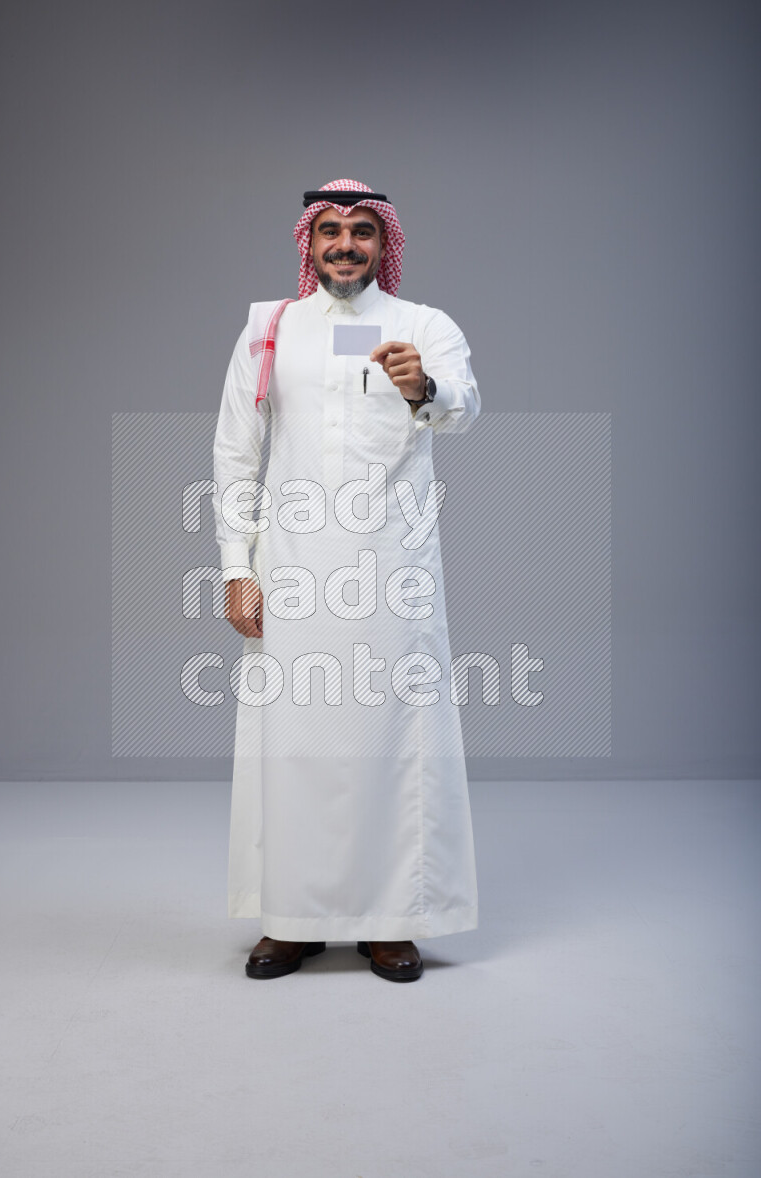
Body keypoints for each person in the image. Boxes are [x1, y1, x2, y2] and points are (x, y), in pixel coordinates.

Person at [212, 179, 480, 982]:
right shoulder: (271, 327)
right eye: (330, 229)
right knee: (294, 745)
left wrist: (421, 387)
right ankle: (292, 920)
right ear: (309, 241)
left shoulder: (423, 326)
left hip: (391, 568)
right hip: (292, 567)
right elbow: (235, 450)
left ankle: (391, 922)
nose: (345, 244)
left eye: (362, 230)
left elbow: (465, 407)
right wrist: (236, 568)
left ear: (383, 242)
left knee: (392, 742)